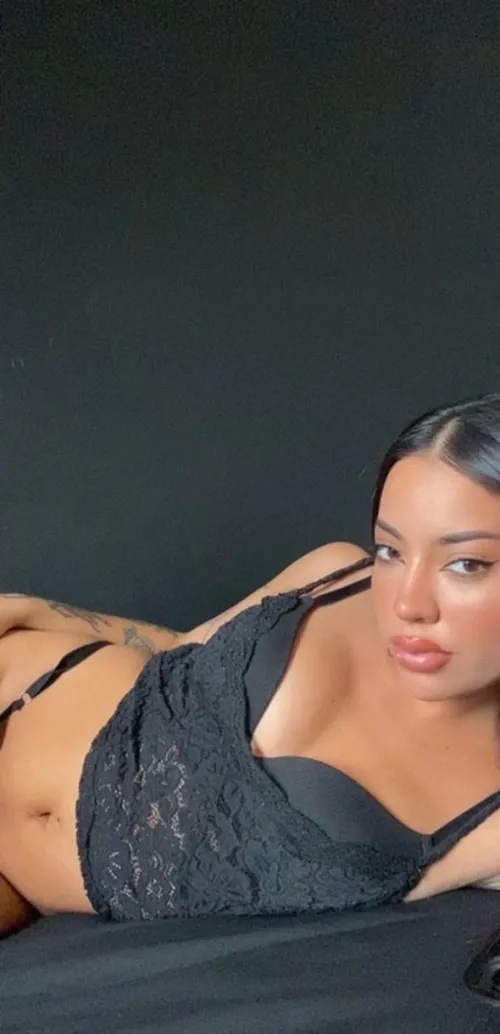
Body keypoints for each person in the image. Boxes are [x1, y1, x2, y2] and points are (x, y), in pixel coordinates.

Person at [3, 390, 500, 939]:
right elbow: (181, 647)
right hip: (27, 680)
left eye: (466, 564)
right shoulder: (335, 575)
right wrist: (35, 611)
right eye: (391, 551)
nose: (408, 604)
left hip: (21, 884)